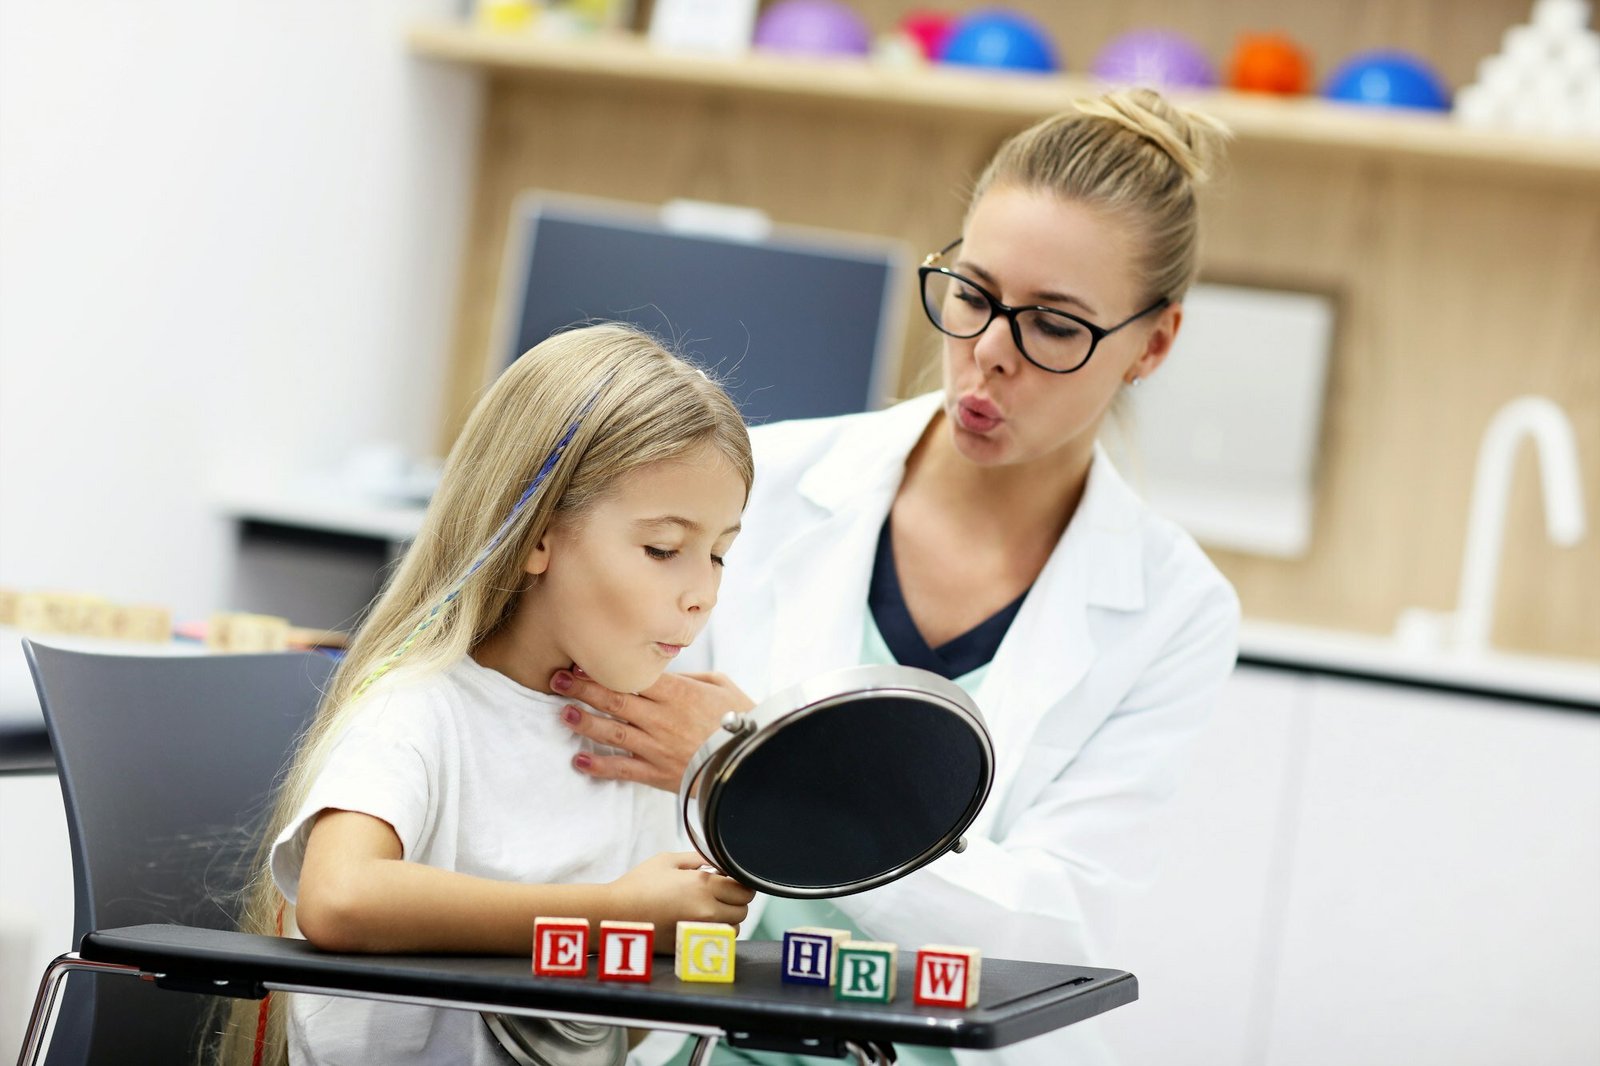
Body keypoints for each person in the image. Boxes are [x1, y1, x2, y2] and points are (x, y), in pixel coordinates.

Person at [552, 89, 1241, 1066]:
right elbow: (600, 772)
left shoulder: (1173, 611)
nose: (989, 356)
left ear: (1154, 343)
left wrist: (751, 770)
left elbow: (1048, 934)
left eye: (1054, 325)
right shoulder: (759, 483)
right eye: (972, 292)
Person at [212, 323, 757, 1066]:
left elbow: (621, 1030)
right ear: (537, 535)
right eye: (663, 549)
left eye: (720, 554)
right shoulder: (420, 708)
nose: (701, 594)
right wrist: (618, 916)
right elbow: (339, 898)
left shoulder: (628, 740)